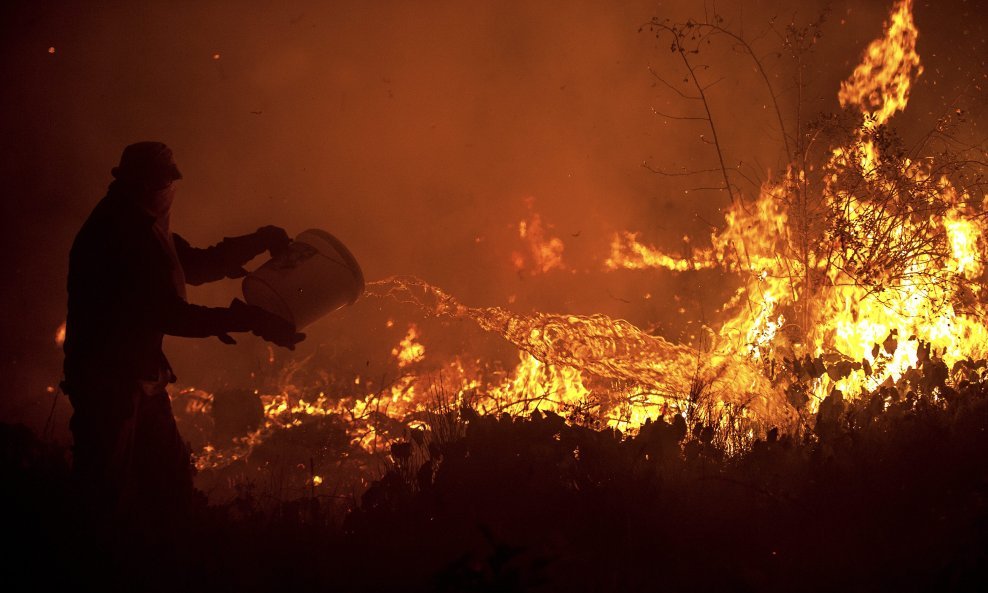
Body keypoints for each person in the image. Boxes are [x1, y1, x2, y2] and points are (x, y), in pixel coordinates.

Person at [61, 141, 304, 519]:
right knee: (104, 493)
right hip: (108, 382)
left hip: (139, 374)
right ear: (147, 185)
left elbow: (195, 264)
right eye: (163, 183)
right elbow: (169, 315)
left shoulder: (141, 224)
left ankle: (159, 563)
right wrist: (249, 319)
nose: (168, 191)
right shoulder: (119, 234)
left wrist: (259, 240)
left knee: (168, 483)